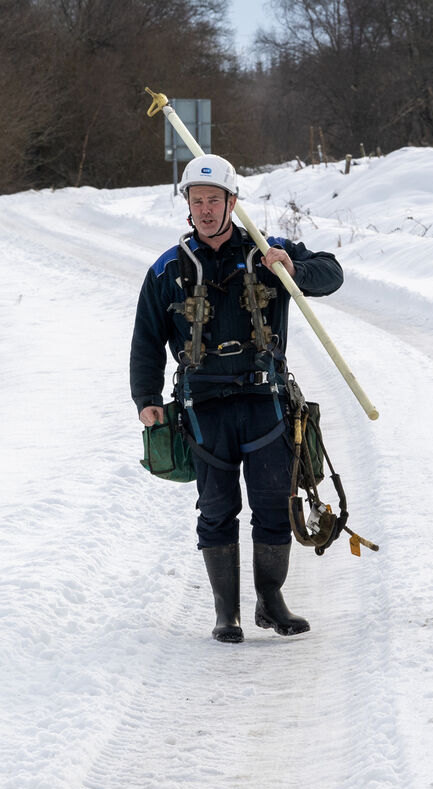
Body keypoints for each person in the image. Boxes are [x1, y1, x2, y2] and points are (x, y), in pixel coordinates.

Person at [130, 154, 344, 643]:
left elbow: (330, 273)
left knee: (274, 505)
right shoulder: (167, 269)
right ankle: (226, 613)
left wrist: (294, 268)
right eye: (196, 201)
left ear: (232, 202)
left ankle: (271, 602)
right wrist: (146, 397)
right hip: (203, 411)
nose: (205, 210)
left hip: (264, 402)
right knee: (216, 508)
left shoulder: (269, 252)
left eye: (214, 200)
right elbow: (145, 341)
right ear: (187, 206)